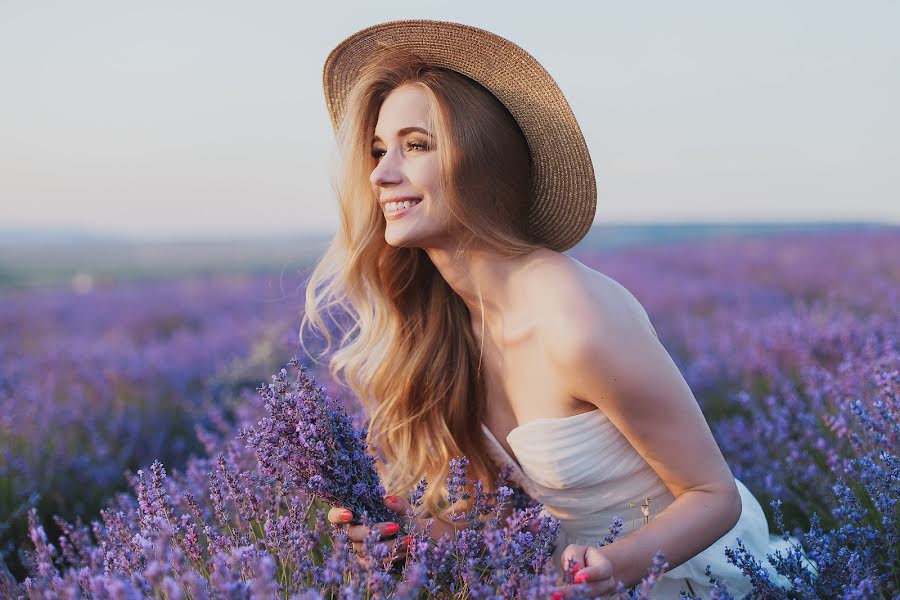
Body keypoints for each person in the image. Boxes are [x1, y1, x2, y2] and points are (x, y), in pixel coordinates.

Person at [302, 19, 791, 598]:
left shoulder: (575, 317)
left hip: (692, 579)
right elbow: (508, 517)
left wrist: (612, 569)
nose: (381, 173)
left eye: (416, 145)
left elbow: (714, 497)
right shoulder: (448, 322)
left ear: (482, 163)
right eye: (379, 150)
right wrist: (411, 539)